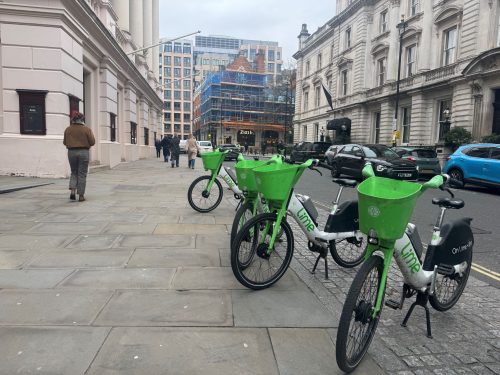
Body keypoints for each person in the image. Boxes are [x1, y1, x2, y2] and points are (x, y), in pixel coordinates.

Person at [63, 112, 95, 202]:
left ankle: (73, 191)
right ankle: (81, 195)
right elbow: (92, 142)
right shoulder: (86, 129)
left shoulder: (68, 129)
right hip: (84, 152)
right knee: (82, 174)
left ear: (73, 119)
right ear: (82, 119)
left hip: (71, 152)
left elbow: (64, 142)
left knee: (74, 172)